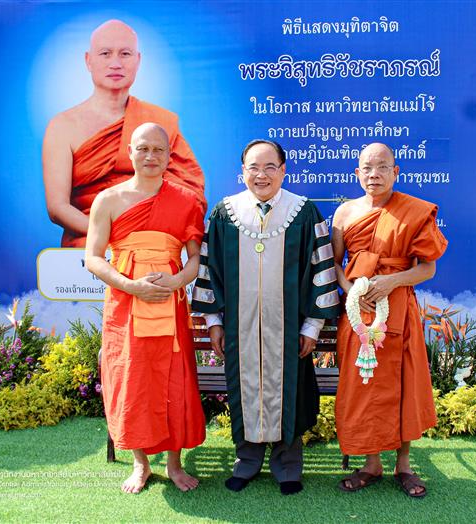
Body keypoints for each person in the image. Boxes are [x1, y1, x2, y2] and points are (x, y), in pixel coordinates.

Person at [192, 140, 340, 495]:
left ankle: (288, 465)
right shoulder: (225, 213)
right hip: (240, 329)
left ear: (283, 170)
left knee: (290, 391)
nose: (261, 175)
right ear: (242, 172)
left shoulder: (303, 213)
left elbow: (321, 270)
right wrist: (214, 322)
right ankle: (247, 460)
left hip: (288, 329)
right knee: (243, 389)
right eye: (253, 168)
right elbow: (209, 271)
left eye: (270, 167)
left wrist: (311, 326)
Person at [85, 122, 206, 494]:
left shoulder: (187, 200)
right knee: (132, 381)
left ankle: (173, 464)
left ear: (170, 156)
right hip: (125, 307)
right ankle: (140, 465)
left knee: (174, 381)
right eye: (143, 149)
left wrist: (177, 281)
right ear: (130, 153)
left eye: (158, 150)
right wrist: (130, 285)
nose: (151, 156)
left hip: (170, 307)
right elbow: (93, 258)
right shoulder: (108, 200)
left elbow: (194, 261)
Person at [331, 143, 447, 498]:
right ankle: (371, 464)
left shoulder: (414, 211)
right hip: (357, 311)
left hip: (398, 307)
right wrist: (353, 289)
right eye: (367, 168)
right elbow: (335, 264)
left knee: (404, 383)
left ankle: (404, 465)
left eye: (382, 167)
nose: (374, 175)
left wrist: (390, 282)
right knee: (363, 384)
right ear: (357, 173)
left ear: (396, 172)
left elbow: (428, 267)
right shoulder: (345, 213)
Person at [44, 19, 205, 247]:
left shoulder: (160, 121)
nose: (116, 63)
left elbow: (188, 191)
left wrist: (145, 237)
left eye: (125, 54)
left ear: (138, 61)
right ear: (88, 61)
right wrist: (112, 236)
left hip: (156, 241)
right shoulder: (63, 126)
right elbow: (57, 208)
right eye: (105, 53)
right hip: (89, 239)